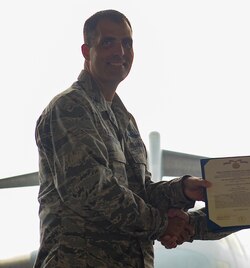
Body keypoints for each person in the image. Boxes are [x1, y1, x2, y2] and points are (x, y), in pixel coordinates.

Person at [34, 9, 209, 268]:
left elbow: (139, 191)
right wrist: (162, 225)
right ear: (86, 51)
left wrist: (181, 190)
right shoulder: (70, 108)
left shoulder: (123, 120)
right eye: (108, 42)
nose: (120, 52)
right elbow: (94, 191)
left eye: (127, 43)